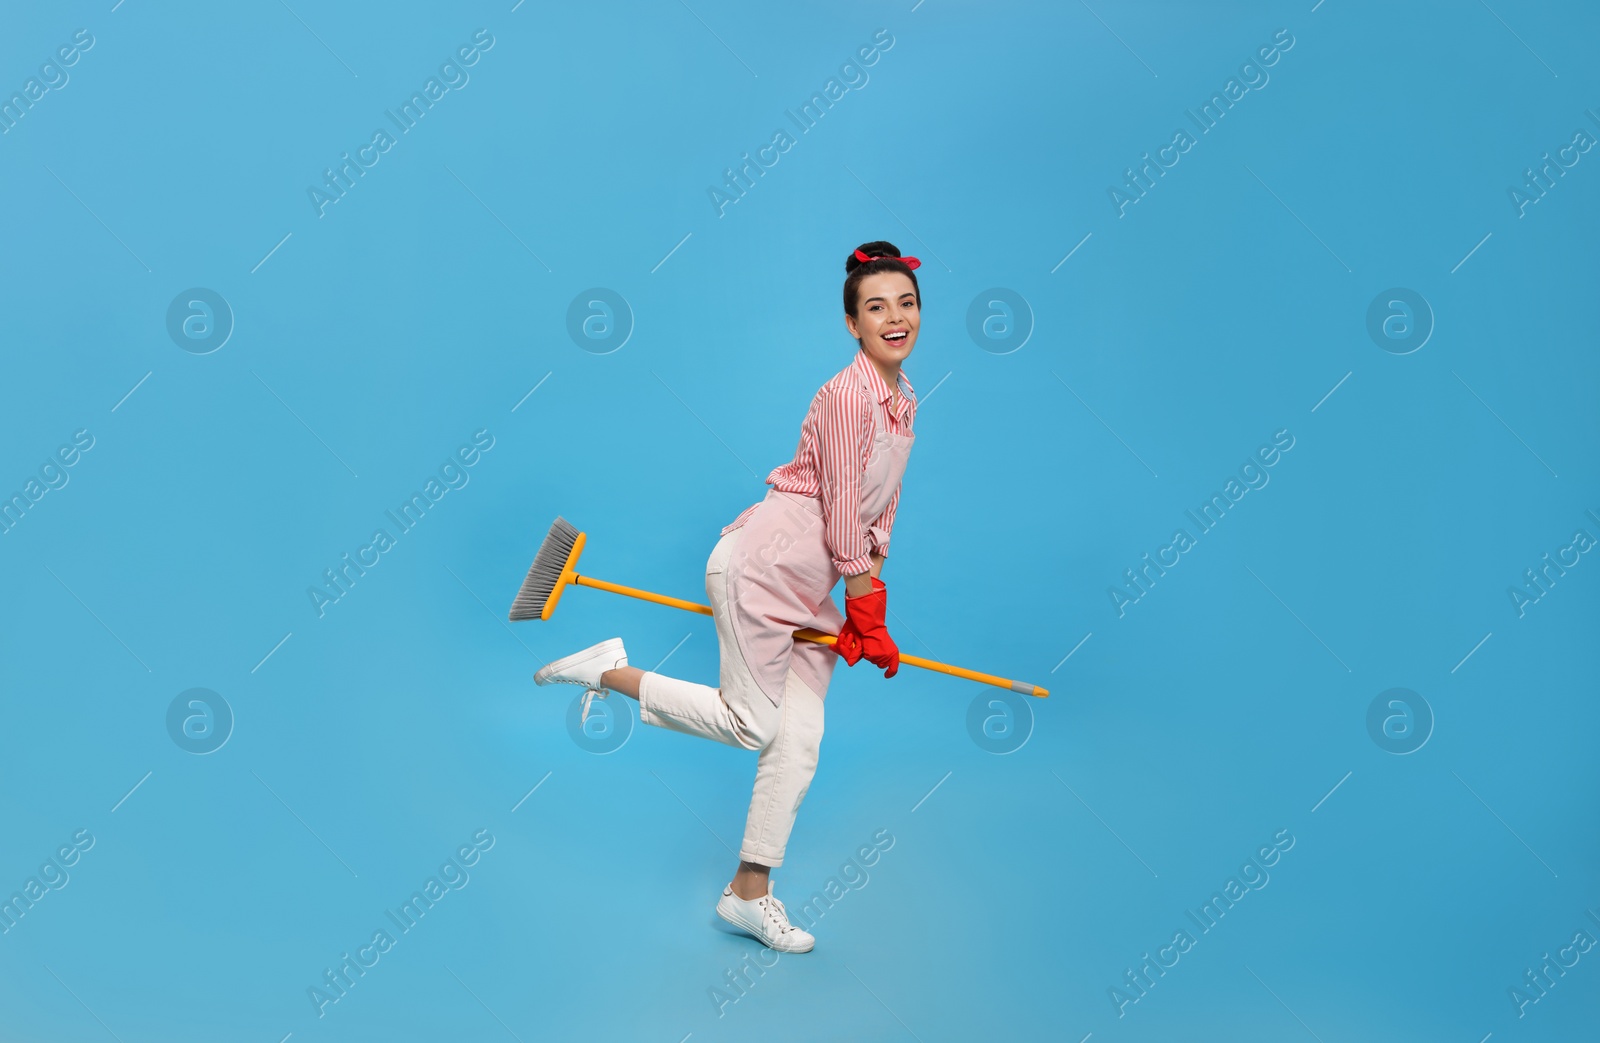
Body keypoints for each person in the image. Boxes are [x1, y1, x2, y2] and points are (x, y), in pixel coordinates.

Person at [533, 240, 920, 952]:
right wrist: (862, 605)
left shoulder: (903, 402)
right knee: (754, 725)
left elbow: (878, 514)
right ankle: (605, 670)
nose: (895, 318)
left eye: (906, 303)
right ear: (852, 324)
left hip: (813, 585)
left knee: (799, 738)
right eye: (876, 307)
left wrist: (874, 604)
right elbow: (839, 508)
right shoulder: (843, 397)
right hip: (762, 567)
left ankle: (749, 891)